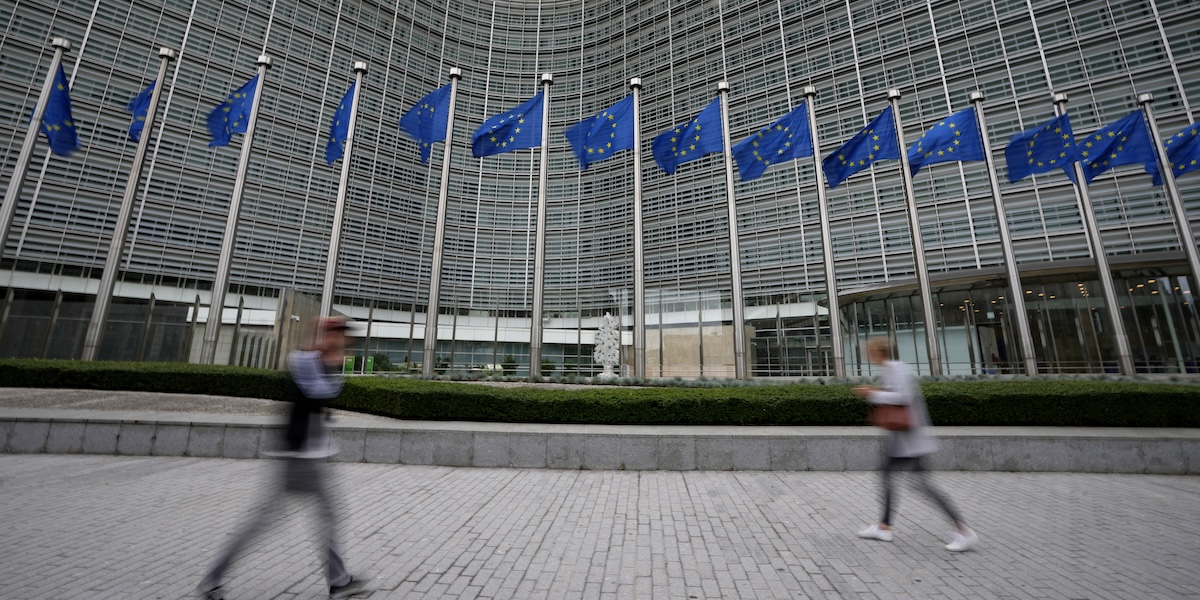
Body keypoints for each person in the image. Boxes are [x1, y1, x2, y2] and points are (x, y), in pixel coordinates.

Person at [198, 316, 372, 599]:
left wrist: (331, 360)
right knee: (289, 519)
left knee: (284, 518)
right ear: (326, 336)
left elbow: (327, 392)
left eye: (344, 339)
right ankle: (338, 581)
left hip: (307, 455)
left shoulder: (323, 363)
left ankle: (213, 579)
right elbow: (317, 392)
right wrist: (327, 357)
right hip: (298, 457)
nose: (343, 343)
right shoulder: (304, 360)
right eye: (338, 336)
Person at [853, 337, 978, 552]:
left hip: (909, 441)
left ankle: (962, 530)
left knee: (922, 485)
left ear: (878, 352)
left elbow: (904, 397)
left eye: (870, 352)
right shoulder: (890, 369)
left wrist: (872, 393)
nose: (868, 356)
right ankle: (884, 526)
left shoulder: (898, 369)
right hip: (901, 441)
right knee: (887, 476)